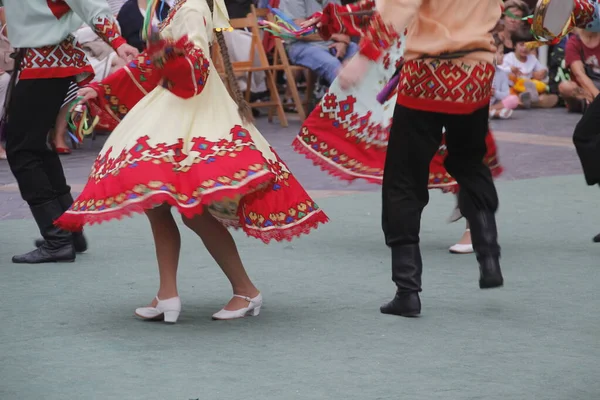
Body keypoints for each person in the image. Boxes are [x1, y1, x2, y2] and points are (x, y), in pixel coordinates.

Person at [55, 0, 329, 323]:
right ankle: (167, 294)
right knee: (156, 204)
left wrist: (162, 56)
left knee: (193, 212)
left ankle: (245, 290)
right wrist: (104, 88)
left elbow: (194, 69)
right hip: (175, 110)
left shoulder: (192, 8)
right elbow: (158, 64)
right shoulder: (181, 6)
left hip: (192, 113)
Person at [306, 0, 505, 317]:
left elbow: (399, 6)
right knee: (469, 161)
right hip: (477, 72)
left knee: (404, 178)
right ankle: (489, 257)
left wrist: (364, 57)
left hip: (428, 70)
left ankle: (407, 291)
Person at [0, 0, 138, 264]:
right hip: (42, 58)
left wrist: (118, 43)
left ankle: (57, 238)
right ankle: (68, 230)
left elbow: (90, 5)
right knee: (35, 146)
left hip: (46, 60)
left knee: (22, 150)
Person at [561, 28, 600, 113]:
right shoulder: (574, 42)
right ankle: (587, 103)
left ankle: (591, 105)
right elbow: (579, 75)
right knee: (565, 87)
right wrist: (597, 97)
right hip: (586, 87)